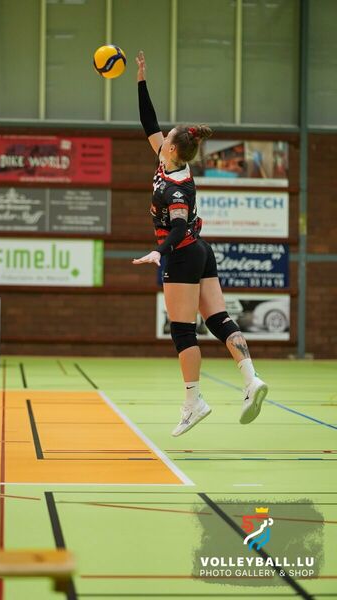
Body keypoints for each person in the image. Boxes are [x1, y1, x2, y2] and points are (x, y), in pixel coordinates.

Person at [132, 51, 268, 437]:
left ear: (172, 149)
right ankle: (251, 379)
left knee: (182, 331)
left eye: (167, 137)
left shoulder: (175, 187)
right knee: (218, 319)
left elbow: (176, 228)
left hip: (182, 253)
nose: (161, 137)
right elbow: (149, 122)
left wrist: (159, 251)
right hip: (201, 250)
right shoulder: (169, 160)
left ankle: (194, 403)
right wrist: (141, 80)